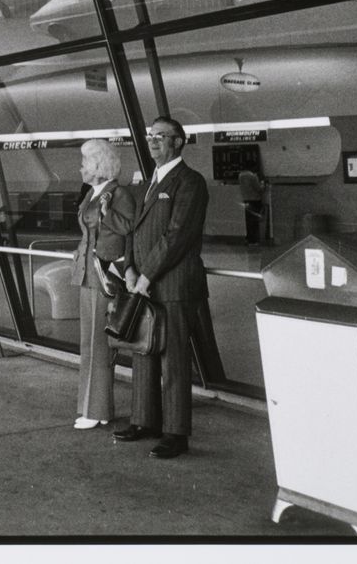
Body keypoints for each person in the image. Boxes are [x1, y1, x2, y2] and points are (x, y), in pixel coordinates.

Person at [113, 116, 209, 460]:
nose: (152, 141)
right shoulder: (148, 182)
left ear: (178, 142)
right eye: (150, 136)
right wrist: (128, 269)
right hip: (143, 283)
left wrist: (146, 275)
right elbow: (134, 232)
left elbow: (178, 235)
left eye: (160, 136)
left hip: (173, 284)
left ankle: (175, 432)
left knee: (173, 360)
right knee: (144, 351)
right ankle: (144, 420)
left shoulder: (190, 182)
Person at [69, 139, 136, 430]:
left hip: (103, 275)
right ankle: (95, 408)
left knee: (97, 345)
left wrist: (107, 212)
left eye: (85, 162)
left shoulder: (117, 194)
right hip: (87, 273)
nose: (81, 167)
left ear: (97, 166)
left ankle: (96, 410)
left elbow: (128, 227)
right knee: (89, 343)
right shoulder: (93, 193)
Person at [238, 168, 266, 244]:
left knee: (248, 220)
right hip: (255, 200)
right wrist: (263, 183)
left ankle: (249, 238)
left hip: (246, 199)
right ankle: (255, 240)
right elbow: (259, 189)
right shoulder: (253, 176)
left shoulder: (240, 175)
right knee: (255, 220)